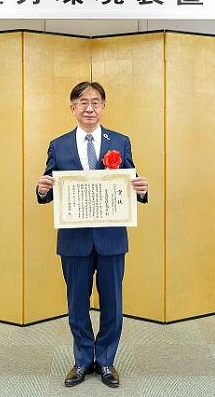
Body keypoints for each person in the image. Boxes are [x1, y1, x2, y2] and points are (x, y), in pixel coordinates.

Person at [36, 81, 149, 388]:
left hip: (111, 237)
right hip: (74, 239)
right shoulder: (58, 145)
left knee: (113, 302)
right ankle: (83, 359)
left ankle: (107, 360)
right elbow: (50, 186)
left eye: (95, 102)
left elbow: (130, 180)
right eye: (83, 102)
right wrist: (42, 190)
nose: (89, 108)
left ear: (103, 107)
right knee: (77, 304)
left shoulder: (120, 142)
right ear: (73, 108)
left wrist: (141, 189)